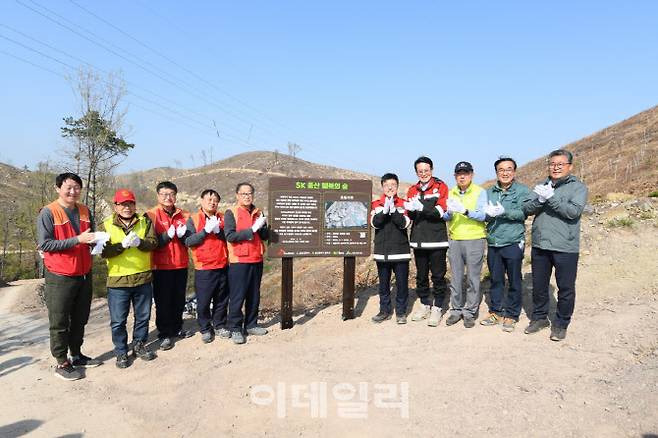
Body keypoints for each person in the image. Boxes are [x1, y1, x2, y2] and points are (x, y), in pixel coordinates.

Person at [37, 172, 101, 381]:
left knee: (80, 318)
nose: (73, 191)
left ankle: (77, 354)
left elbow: (87, 236)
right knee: (59, 320)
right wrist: (78, 239)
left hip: (83, 273)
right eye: (68, 187)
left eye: (76, 187)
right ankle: (61, 361)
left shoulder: (84, 210)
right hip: (60, 275)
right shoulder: (48, 212)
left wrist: (94, 241)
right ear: (58, 188)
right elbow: (45, 244)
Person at [523, 149, 588, 341]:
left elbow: (572, 212)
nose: (556, 167)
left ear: (570, 166)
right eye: (552, 164)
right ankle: (539, 318)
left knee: (565, 288)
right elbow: (526, 208)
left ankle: (561, 323)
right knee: (539, 285)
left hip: (565, 246)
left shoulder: (578, 188)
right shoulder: (542, 185)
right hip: (541, 244)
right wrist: (540, 199)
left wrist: (552, 198)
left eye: (560, 164)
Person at [101, 189, 158, 368]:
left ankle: (139, 344)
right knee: (118, 320)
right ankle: (121, 351)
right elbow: (102, 252)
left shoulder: (144, 221)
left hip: (142, 278)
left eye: (130, 203)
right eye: (123, 204)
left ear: (134, 204)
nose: (127, 207)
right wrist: (121, 246)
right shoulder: (106, 224)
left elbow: (153, 243)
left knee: (143, 316)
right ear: (116, 206)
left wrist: (140, 243)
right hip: (118, 281)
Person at [481, 157, 531, 332]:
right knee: (496, 279)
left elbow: (524, 212)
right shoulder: (488, 192)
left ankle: (511, 314)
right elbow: (485, 215)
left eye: (509, 169)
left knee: (514, 279)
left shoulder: (522, 191)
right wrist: (486, 214)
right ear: (496, 172)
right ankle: (495, 311)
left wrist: (505, 212)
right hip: (494, 241)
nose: (505, 172)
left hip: (513, 241)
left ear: (514, 172)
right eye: (501, 169)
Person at [147, 181, 192, 351]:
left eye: (171, 194)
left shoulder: (184, 215)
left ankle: (177, 327)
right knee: (163, 300)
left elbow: (189, 239)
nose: (168, 197)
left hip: (180, 262)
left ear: (176, 195)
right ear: (158, 196)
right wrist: (166, 236)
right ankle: (164, 333)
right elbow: (151, 243)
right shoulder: (151, 215)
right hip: (161, 265)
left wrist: (181, 236)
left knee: (179, 298)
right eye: (164, 194)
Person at [404, 156, 450, 327]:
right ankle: (425, 304)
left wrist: (422, 207)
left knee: (438, 275)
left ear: (432, 169)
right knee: (421, 275)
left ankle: (438, 307)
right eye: (420, 171)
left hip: (437, 240)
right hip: (418, 240)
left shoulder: (440, 186)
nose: (423, 173)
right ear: (416, 172)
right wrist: (410, 210)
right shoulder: (412, 190)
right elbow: (411, 215)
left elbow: (440, 210)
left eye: (426, 170)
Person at [443, 161, 488, 328]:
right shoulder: (451, 192)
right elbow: (447, 217)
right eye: (459, 173)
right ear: (455, 176)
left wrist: (466, 211)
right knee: (455, 277)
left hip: (475, 239)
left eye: (466, 173)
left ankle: (469, 311)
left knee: (473, 278)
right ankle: (455, 309)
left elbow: (484, 215)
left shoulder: (480, 192)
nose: (462, 176)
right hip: (455, 239)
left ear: (472, 175)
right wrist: (448, 213)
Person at [224, 182, 269, 344]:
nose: (247, 196)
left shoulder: (259, 212)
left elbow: (263, 236)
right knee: (238, 296)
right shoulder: (231, 213)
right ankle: (235, 327)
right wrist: (251, 230)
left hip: (257, 258)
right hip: (239, 261)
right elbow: (230, 236)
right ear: (237, 195)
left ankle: (251, 324)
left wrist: (264, 226)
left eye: (249, 193)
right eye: (243, 194)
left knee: (254, 294)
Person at [184, 189, 230, 344]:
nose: (212, 202)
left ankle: (219, 325)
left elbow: (230, 239)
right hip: (204, 267)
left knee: (222, 299)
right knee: (203, 301)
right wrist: (205, 231)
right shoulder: (194, 219)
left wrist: (218, 232)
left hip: (223, 264)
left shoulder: (223, 218)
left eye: (215, 200)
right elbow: (189, 241)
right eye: (209, 199)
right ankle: (205, 328)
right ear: (202, 201)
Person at [370, 173, 412, 324]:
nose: (390, 188)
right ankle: (384, 311)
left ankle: (401, 312)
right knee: (384, 285)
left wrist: (393, 211)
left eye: (393, 185)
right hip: (382, 252)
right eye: (387, 185)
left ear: (397, 186)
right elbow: (375, 223)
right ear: (382, 186)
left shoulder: (404, 203)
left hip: (400, 252)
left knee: (401, 284)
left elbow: (404, 224)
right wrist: (384, 211)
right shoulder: (375, 204)